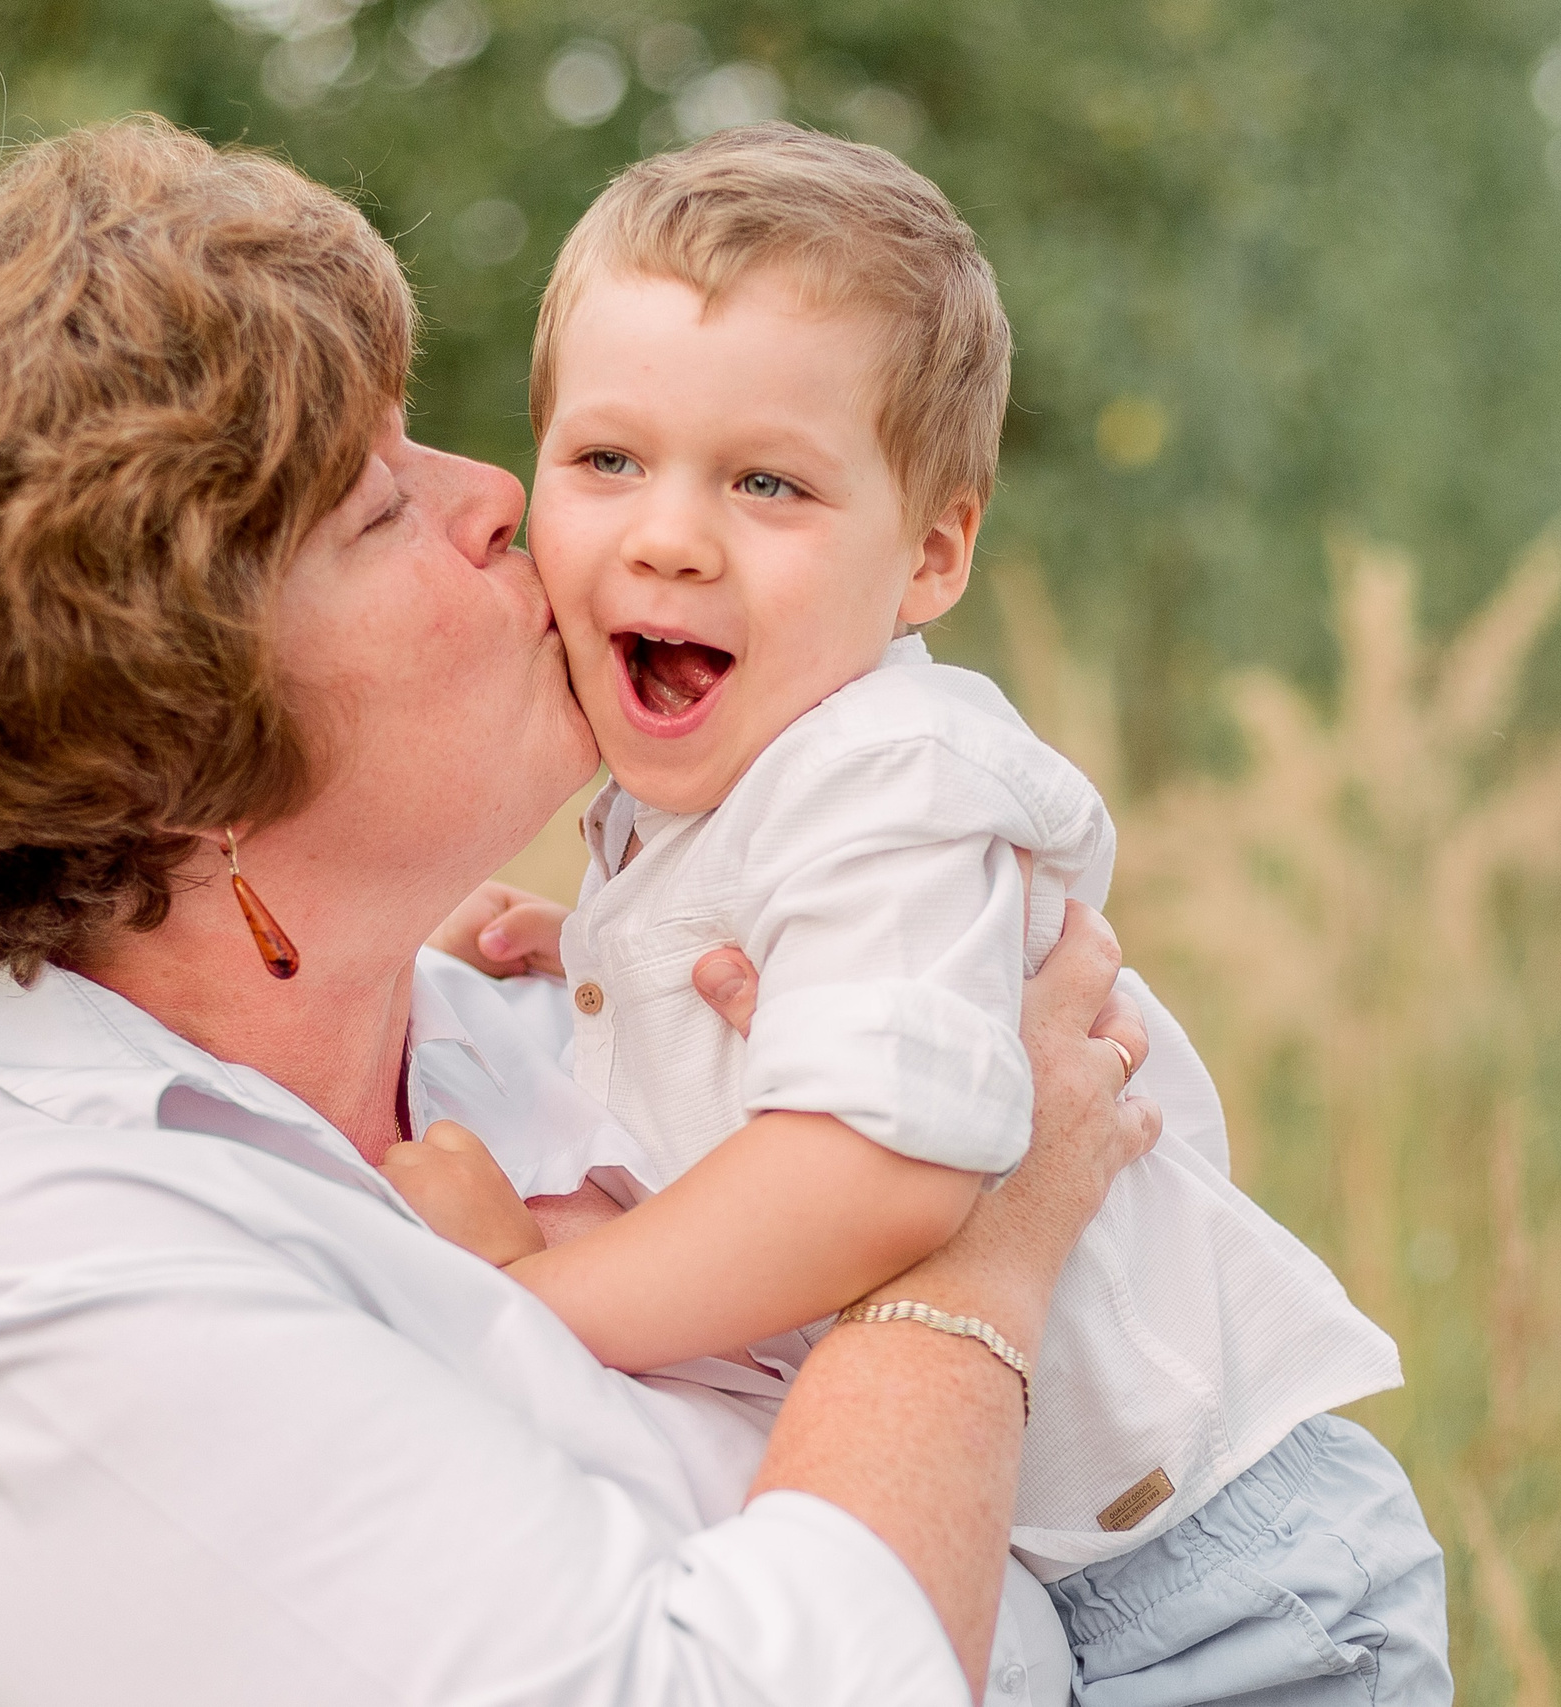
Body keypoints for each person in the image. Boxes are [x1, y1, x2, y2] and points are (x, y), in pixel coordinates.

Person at [0, 117, 1165, 1706]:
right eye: (374, 508)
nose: (498, 493)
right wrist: (974, 1255)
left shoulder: (516, 1023)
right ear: (174, 748)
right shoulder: (61, 1311)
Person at [404, 126, 1450, 1704]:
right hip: (1035, 1567)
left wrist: (542, 1298)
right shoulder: (724, 790)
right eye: (608, 459)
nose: (670, 531)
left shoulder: (894, 778)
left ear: (932, 554)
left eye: (768, 482)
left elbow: (870, 1175)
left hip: (1224, 1594)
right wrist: (596, 947)